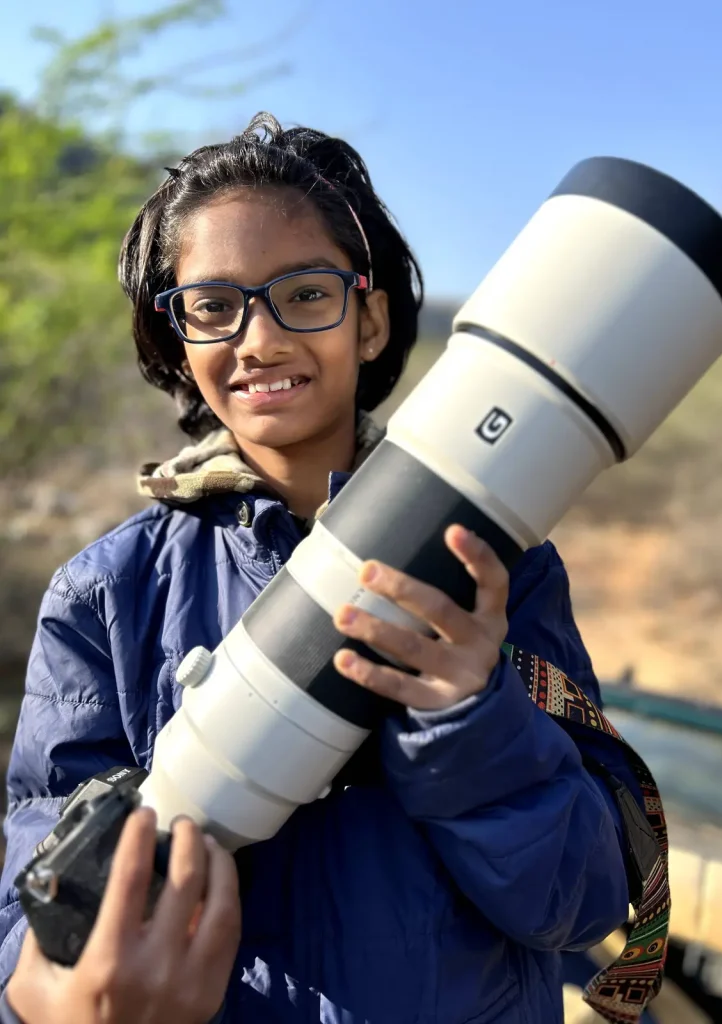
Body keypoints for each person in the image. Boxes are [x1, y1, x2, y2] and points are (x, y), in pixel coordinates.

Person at [0, 113, 640, 1023]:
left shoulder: (499, 571)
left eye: (303, 293)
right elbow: (38, 912)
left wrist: (467, 719)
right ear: (177, 337)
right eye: (213, 306)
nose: (256, 340)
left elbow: (579, 906)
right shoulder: (107, 597)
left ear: (370, 319)